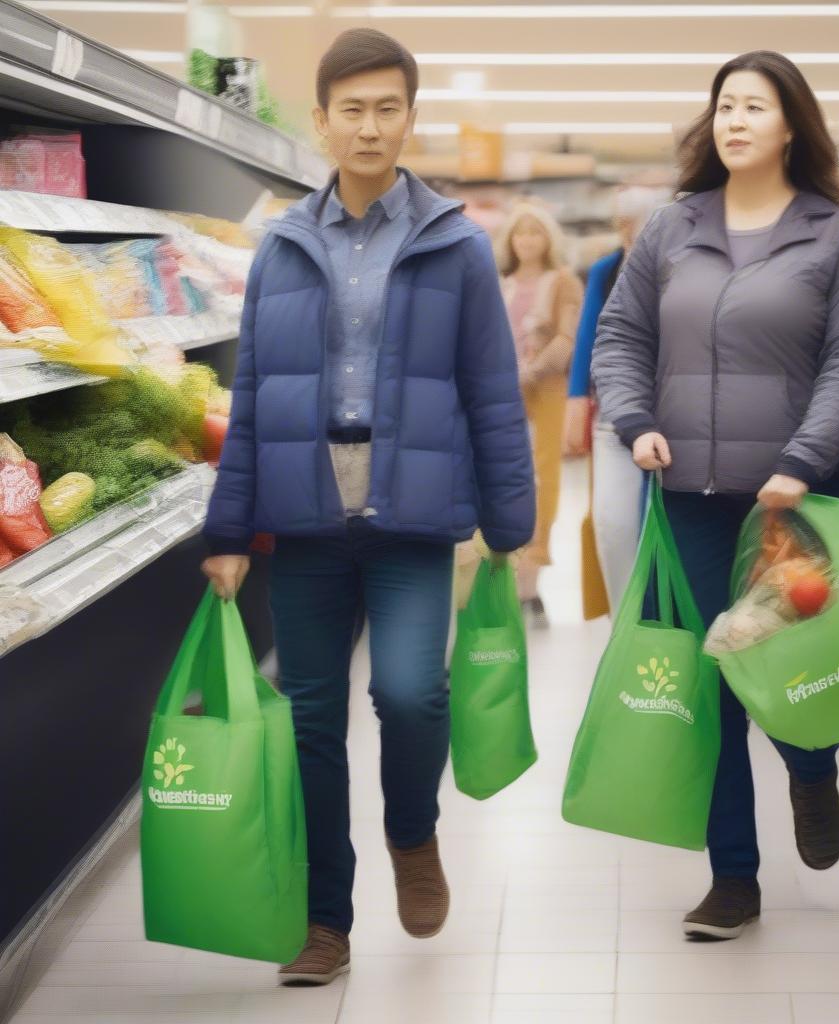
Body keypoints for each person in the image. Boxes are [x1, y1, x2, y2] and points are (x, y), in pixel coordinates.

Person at [201, 28, 535, 984]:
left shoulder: (457, 245)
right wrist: (228, 529)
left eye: (389, 107)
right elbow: (253, 395)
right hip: (304, 516)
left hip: (413, 512)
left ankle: (414, 835)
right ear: (321, 121)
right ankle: (325, 921)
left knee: (408, 691)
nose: (370, 125)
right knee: (310, 718)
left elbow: (492, 389)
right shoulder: (282, 248)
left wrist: (510, 519)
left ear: (409, 119)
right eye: (352, 108)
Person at [592, 50, 839, 940]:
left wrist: (802, 459)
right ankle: (733, 878)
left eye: (754, 106)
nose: (736, 120)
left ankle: (812, 764)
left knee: (789, 671)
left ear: (792, 123)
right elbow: (621, 332)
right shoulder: (670, 229)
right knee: (709, 682)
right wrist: (633, 415)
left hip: (795, 499)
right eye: (725, 106)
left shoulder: (833, 236)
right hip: (685, 494)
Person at [564, 187, 667, 614]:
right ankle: (625, 625)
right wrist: (575, 400)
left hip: (670, 416)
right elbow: (588, 336)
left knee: (657, 527)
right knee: (613, 523)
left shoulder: (678, 267)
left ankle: (656, 618)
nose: (627, 232)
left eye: (633, 222)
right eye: (623, 224)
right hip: (614, 418)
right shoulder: (606, 270)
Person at [496, 204, 583, 627]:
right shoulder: (501, 284)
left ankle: (530, 580)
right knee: (505, 477)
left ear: (548, 238)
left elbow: (569, 337)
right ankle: (506, 573)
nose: (527, 240)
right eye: (520, 233)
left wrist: (530, 371)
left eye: (535, 232)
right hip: (501, 395)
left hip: (545, 391)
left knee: (543, 477)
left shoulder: (563, 281)